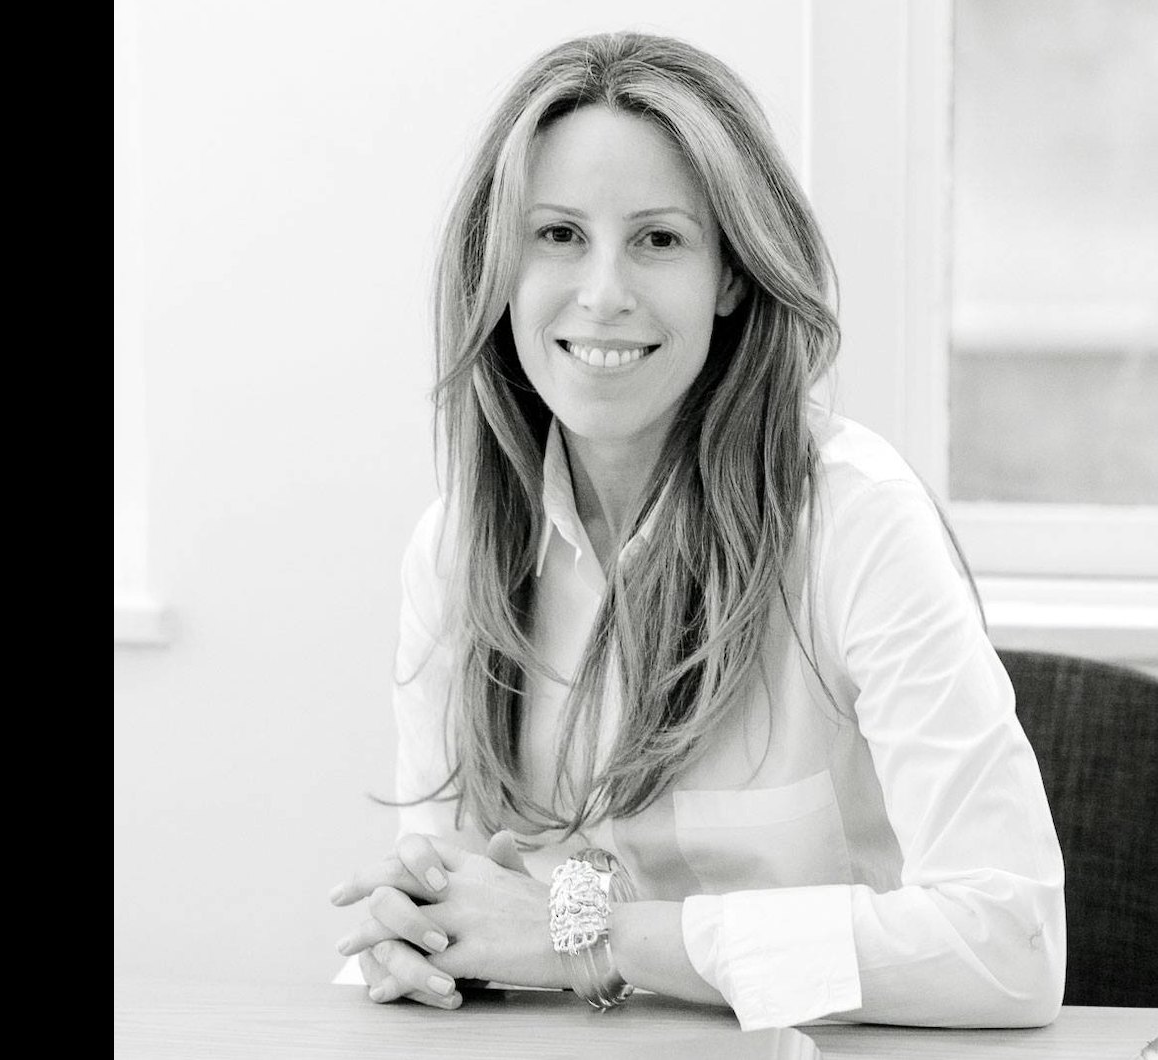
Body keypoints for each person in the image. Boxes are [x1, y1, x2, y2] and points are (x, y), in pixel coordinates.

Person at [328, 30, 1065, 1031]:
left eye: (659, 239)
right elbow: (457, 897)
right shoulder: (456, 549)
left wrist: (588, 936)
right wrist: (416, 934)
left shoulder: (855, 520)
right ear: (498, 267)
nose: (602, 294)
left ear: (731, 275)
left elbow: (1011, 945)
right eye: (557, 234)